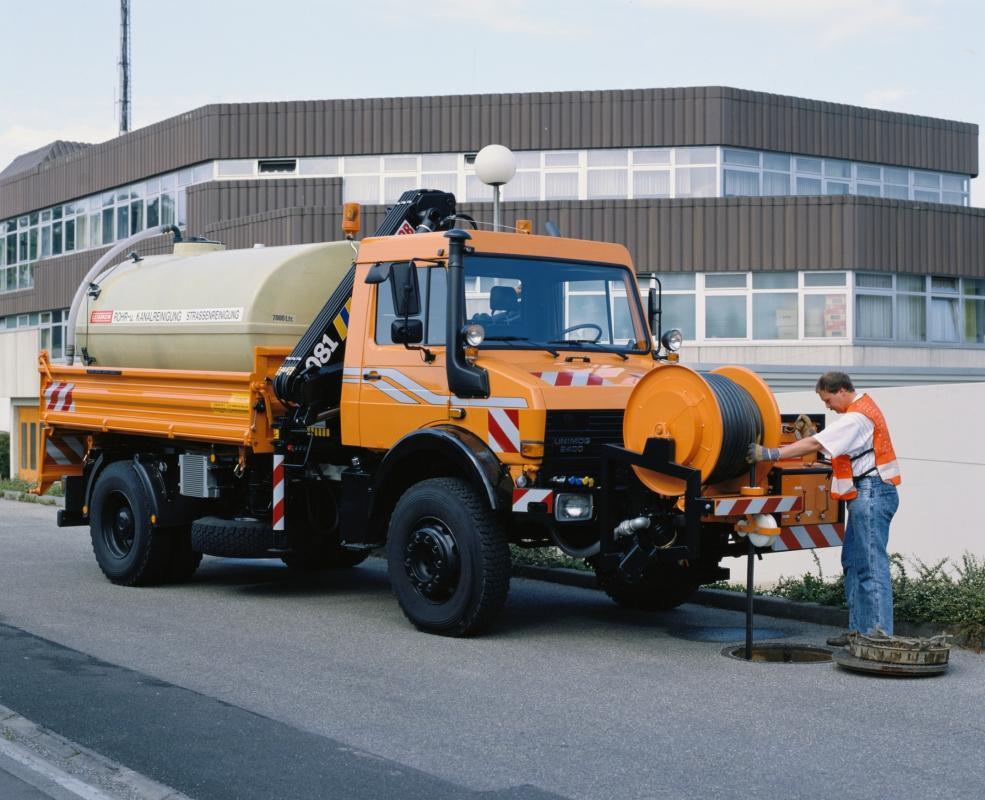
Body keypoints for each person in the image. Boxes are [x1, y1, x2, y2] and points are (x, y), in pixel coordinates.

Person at [746, 371, 901, 646]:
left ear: (841, 390)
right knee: (854, 563)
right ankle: (859, 632)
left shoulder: (856, 417)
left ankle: (879, 639)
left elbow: (817, 445)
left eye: (828, 400)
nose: (827, 406)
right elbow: (835, 449)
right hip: (867, 493)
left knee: (871, 567)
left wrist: (772, 453)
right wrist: (813, 435)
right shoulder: (860, 412)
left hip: (871, 493)